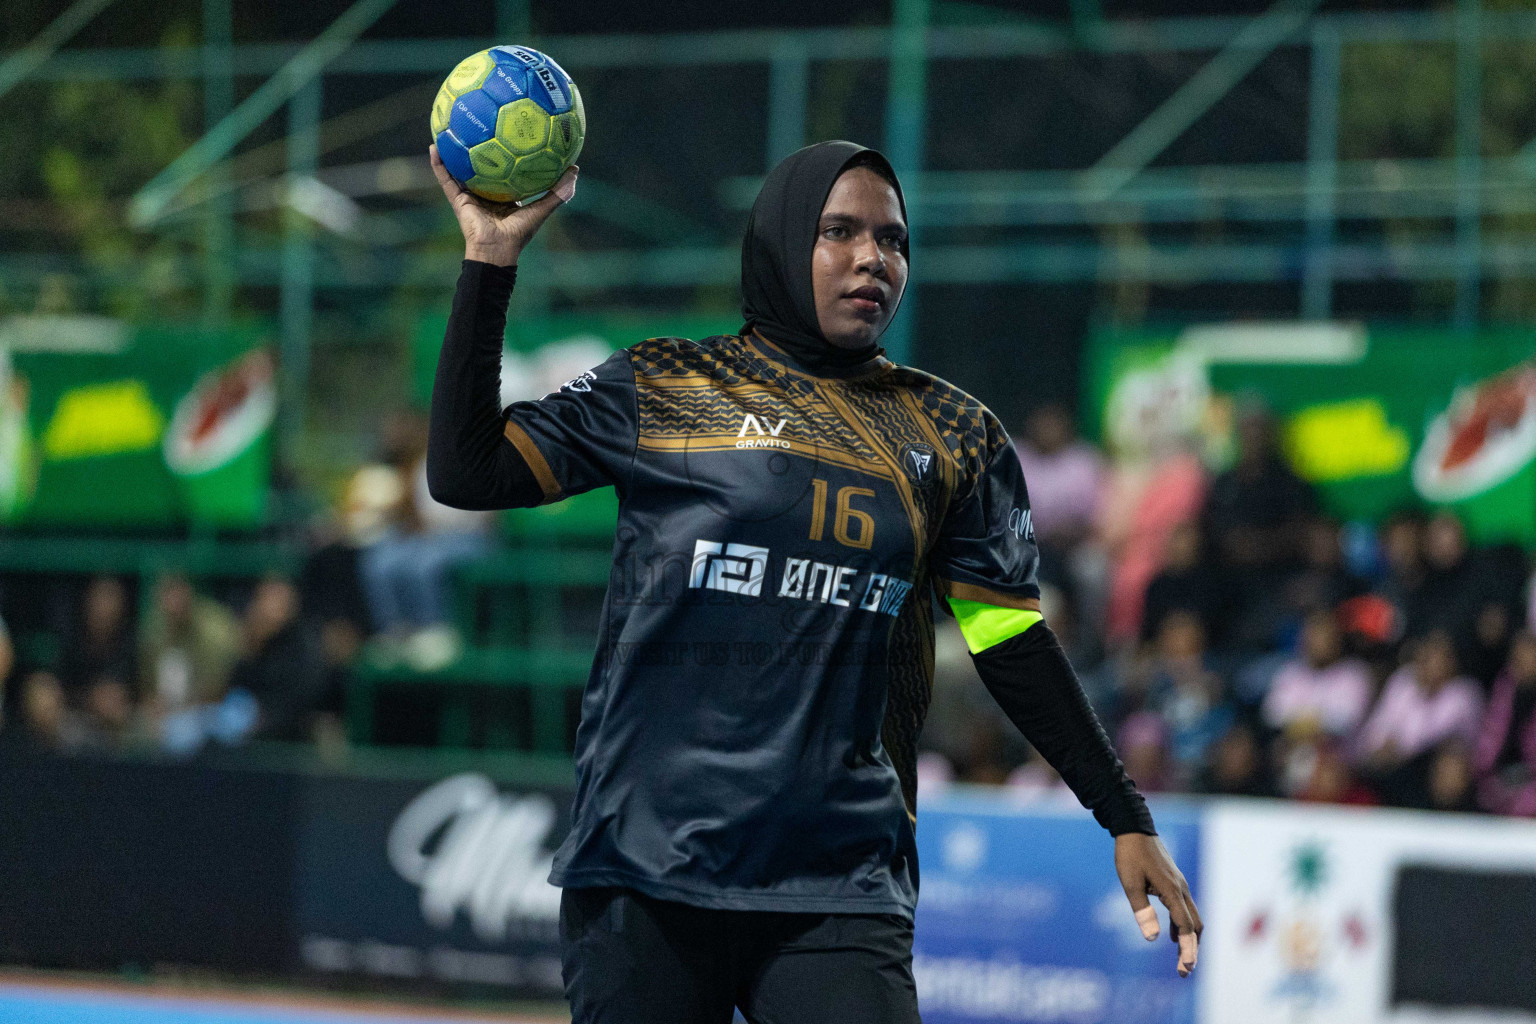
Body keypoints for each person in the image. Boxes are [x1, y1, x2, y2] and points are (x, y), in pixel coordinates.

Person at [426, 139, 1202, 1022]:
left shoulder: (957, 434)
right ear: (782, 241)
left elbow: (1009, 639)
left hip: (839, 885)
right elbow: (466, 472)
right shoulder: (668, 383)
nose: (874, 258)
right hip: (646, 875)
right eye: (840, 231)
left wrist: (1122, 812)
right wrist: (491, 260)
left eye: (893, 239)